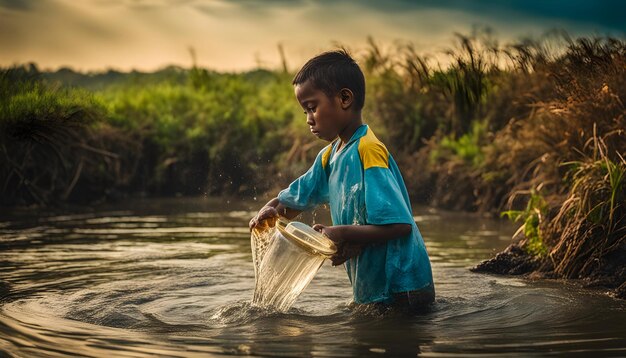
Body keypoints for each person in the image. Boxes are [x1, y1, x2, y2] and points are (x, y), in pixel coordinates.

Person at [249, 49, 435, 314]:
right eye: (305, 112)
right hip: (374, 289)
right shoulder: (329, 157)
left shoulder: (368, 151)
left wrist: (341, 233)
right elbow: (293, 200)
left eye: (312, 108)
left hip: (404, 286)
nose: (309, 119)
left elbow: (400, 225)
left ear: (344, 99)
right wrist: (270, 211)